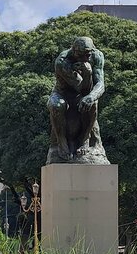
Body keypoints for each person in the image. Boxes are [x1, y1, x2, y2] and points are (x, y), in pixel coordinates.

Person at [46, 36, 109, 164]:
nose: (85, 58)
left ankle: (85, 139)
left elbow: (100, 84)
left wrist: (91, 96)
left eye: (88, 54)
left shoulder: (97, 56)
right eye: (81, 55)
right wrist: (87, 73)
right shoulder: (62, 61)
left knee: (92, 103)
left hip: (85, 93)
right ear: (74, 51)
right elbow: (79, 87)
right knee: (56, 105)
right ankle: (61, 142)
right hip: (63, 93)